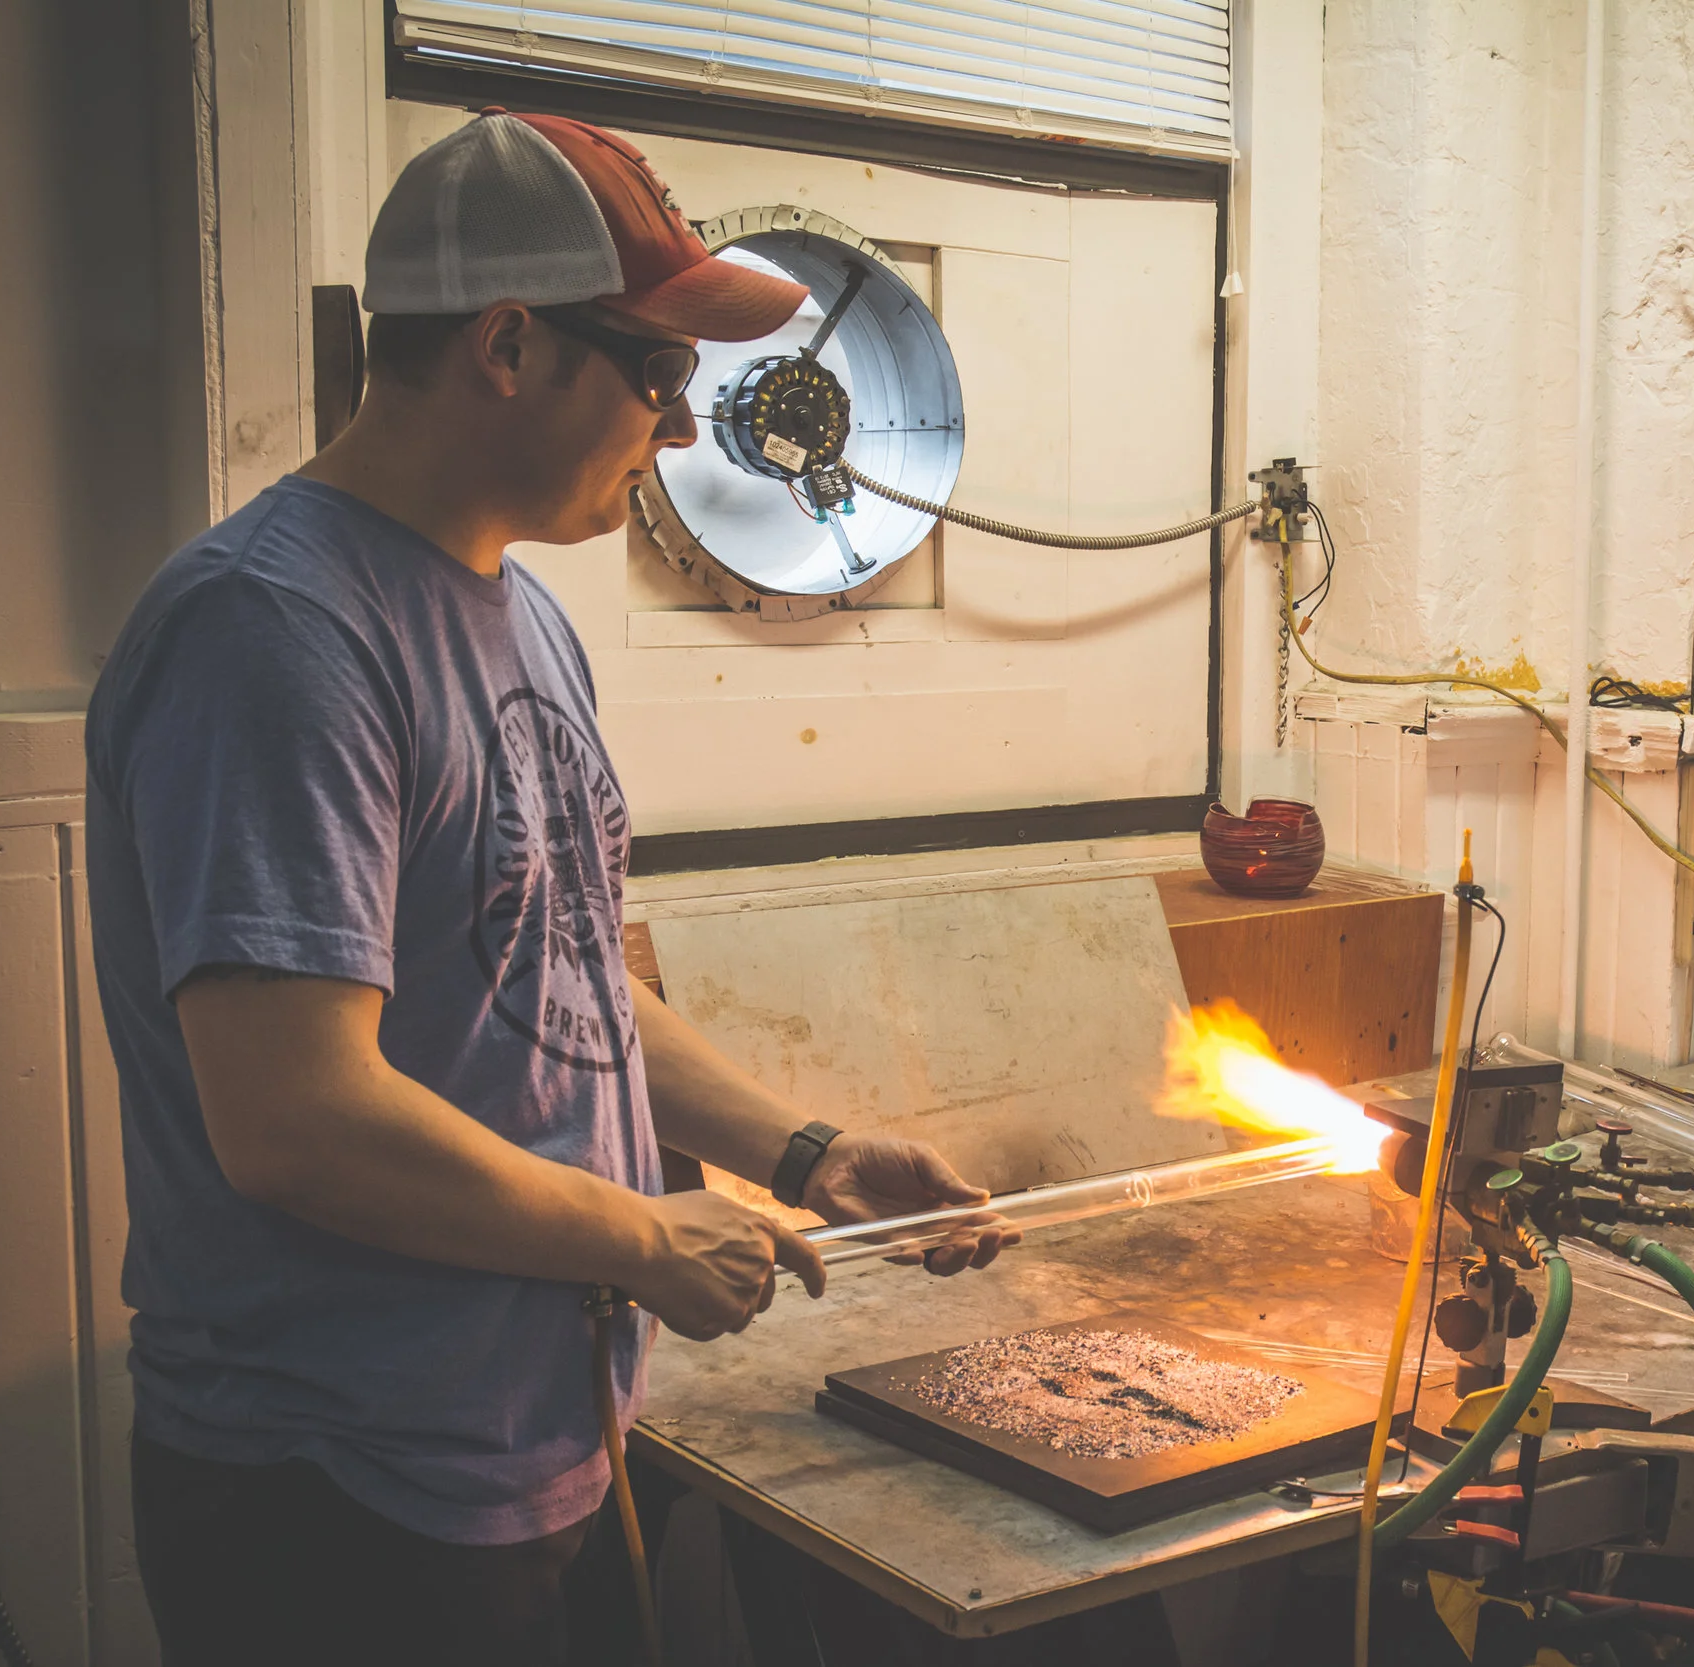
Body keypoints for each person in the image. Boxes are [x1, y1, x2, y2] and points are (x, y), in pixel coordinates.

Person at [85, 109, 1011, 1666]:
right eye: (657, 375)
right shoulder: (274, 636)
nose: (685, 431)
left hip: (534, 1450)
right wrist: (644, 1240)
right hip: (338, 1497)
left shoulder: (522, 618)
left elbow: (566, 978)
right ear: (507, 345)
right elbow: (295, 1120)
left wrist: (807, 1149)